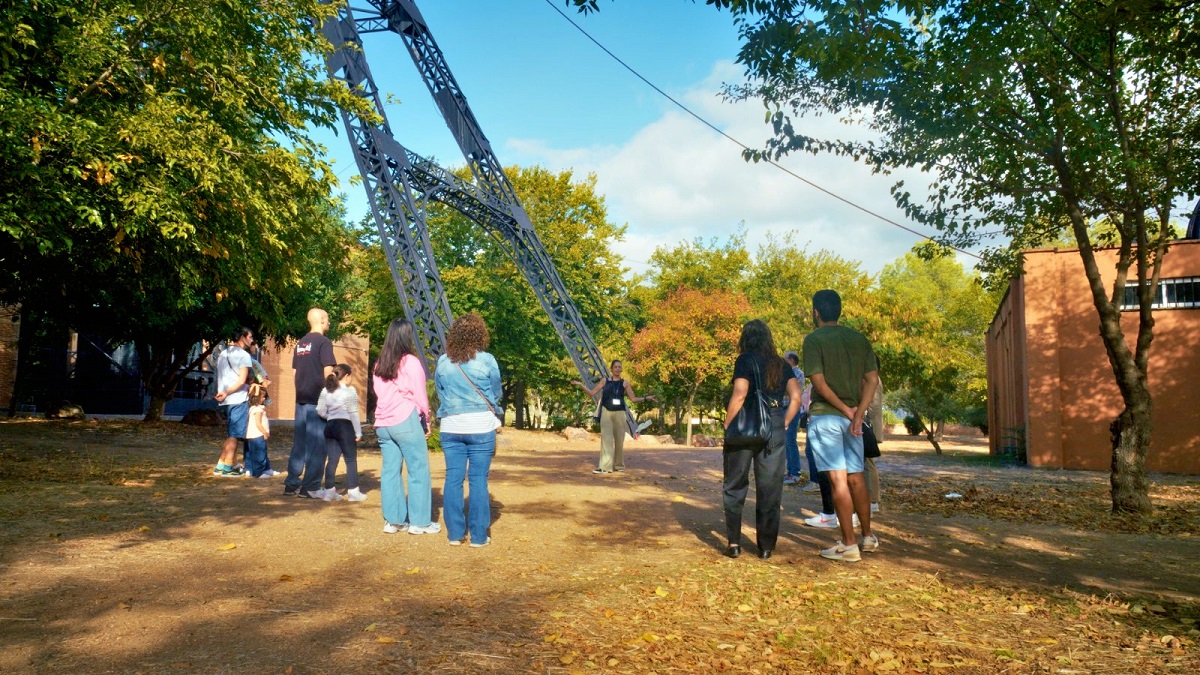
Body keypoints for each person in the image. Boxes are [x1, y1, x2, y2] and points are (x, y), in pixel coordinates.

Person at [803, 289, 880, 563]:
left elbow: (818, 382)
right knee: (857, 477)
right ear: (840, 310)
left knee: (838, 480)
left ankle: (849, 544)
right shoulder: (858, 339)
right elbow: (872, 379)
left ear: (816, 313)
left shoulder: (813, 340)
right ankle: (868, 537)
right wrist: (858, 412)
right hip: (852, 422)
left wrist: (845, 408)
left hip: (826, 417)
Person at [722, 319, 802, 560]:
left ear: (745, 338)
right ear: (768, 338)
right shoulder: (781, 364)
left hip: (745, 426)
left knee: (735, 485)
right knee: (769, 489)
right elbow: (796, 397)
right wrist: (784, 421)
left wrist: (728, 425)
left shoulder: (744, 360)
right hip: (774, 427)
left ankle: (734, 543)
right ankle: (766, 547)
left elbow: (740, 394)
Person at [434, 313, 503, 547]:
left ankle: (454, 534)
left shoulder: (444, 361)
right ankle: (479, 536)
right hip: (480, 426)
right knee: (478, 480)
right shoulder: (487, 360)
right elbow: (496, 392)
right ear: (480, 333)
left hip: (451, 425)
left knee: (453, 478)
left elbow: (440, 392)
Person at [373, 318, 438, 535]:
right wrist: (426, 420)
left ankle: (394, 521)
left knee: (390, 471)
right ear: (406, 336)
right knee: (418, 469)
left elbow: (379, 393)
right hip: (405, 419)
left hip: (383, 423)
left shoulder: (379, 363)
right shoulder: (410, 362)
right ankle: (419, 523)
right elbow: (420, 394)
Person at [283, 308, 336, 499]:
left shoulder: (301, 343)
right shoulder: (324, 342)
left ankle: (292, 484)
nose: (329, 322)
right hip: (317, 400)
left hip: (301, 400)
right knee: (317, 444)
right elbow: (328, 372)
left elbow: (295, 373)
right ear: (321, 320)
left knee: (300, 444)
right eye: (328, 319)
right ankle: (311, 486)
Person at [571, 360, 655, 474]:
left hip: (620, 413)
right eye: (615, 367)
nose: (617, 369)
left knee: (620, 440)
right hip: (606, 411)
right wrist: (581, 385)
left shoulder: (625, 383)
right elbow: (592, 393)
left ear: (621, 369)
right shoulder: (604, 381)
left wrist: (646, 398)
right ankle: (605, 467)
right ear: (611, 369)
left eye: (619, 367)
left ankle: (619, 466)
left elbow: (633, 399)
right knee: (606, 439)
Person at [316, 363, 365, 502]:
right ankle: (353, 492)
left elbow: (320, 410)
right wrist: (358, 432)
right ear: (347, 376)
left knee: (332, 460)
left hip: (330, 426)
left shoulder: (326, 390)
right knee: (350, 459)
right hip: (345, 426)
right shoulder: (350, 391)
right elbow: (353, 413)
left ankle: (329, 491)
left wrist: (330, 416)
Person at [212, 327, 255, 477]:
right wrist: (227, 392)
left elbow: (221, 376)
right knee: (235, 435)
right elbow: (242, 380)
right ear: (242, 337)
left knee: (231, 433)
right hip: (237, 398)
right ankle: (228, 468)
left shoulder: (223, 353)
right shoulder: (244, 355)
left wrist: (222, 393)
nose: (251, 340)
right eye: (250, 337)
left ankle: (221, 464)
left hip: (225, 400)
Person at [782, 351, 806, 486]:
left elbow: (790, 390)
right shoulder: (787, 373)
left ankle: (795, 473)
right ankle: (790, 471)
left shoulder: (798, 373)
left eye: (785, 358)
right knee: (785, 441)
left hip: (792, 408)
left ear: (791, 360)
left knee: (790, 440)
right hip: (783, 407)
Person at [243, 384, 276, 478]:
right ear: (256, 398)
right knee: (260, 454)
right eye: (262, 397)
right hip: (258, 435)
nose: (264, 399)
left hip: (250, 435)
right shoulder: (258, 410)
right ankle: (259, 473)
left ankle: (249, 469)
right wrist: (264, 432)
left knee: (250, 453)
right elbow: (258, 423)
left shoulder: (251, 408)